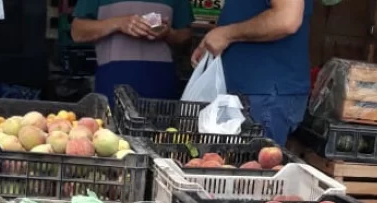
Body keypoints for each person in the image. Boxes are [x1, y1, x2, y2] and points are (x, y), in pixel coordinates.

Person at [191, 0, 312, 145]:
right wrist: (214, 38)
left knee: (254, 157)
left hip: (265, 94)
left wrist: (226, 34)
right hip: (250, 92)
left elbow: (286, 19)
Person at [71, 0, 194, 101]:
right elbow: (77, 32)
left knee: (163, 123)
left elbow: (186, 39)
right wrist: (118, 23)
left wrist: (168, 34)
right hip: (113, 80)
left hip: (161, 83)